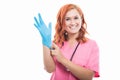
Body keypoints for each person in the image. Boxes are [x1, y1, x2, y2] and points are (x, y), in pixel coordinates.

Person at [34, 3, 100, 80]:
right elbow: (50, 69)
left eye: (76, 18)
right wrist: (45, 43)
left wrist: (62, 59)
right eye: (67, 19)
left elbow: (88, 77)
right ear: (62, 23)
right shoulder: (56, 43)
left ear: (81, 19)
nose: (72, 22)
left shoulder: (91, 45)